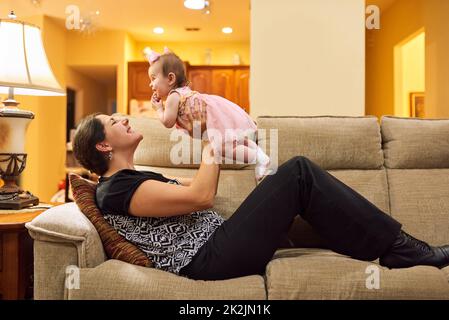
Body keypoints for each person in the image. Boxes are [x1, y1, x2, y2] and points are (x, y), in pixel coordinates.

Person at [72, 108, 449, 281]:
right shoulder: (113, 191)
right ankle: (403, 250)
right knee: (299, 171)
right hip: (210, 259)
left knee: (300, 186)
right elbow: (202, 196)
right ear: (103, 146)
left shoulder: (134, 179)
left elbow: (185, 199)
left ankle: (391, 246)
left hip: (219, 244)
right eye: (112, 122)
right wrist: (211, 144)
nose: (123, 118)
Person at [146, 47, 271, 181]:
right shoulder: (183, 91)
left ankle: (258, 158)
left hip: (211, 120)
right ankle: (257, 151)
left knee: (223, 148)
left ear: (170, 79)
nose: (150, 84)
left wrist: (159, 109)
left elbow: (167, 122)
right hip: (214, 114)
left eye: (153, 79)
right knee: (231, 142)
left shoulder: (173, 96)